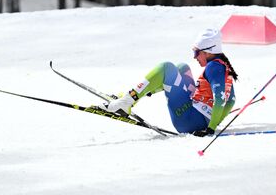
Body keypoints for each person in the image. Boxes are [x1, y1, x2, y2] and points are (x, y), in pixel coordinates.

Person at [100, 28, 237, 136]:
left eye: (196, 52)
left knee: (166, 67)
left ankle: (126, 102)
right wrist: (215, 121)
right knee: (182, 67)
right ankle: (133, 97)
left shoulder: (214, 67)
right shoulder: (224, 67)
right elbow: (231, 100)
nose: (194, 57)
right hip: (197, 118)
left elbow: (220, 99)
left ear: (208, 52)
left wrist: (210, 129)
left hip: (189, 120)